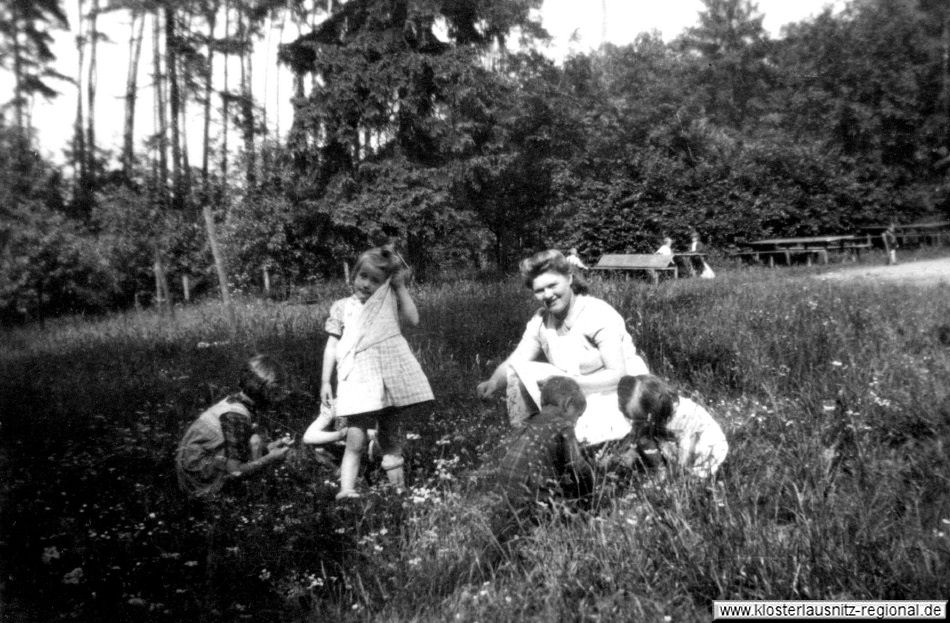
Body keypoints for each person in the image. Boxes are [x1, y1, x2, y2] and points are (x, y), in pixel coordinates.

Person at [476, 249, 649, 446]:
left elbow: (618, 376)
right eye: (539, 290)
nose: (547, 295)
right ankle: (528, 439)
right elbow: (518, 358)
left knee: (591, 438)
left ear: (569, 278)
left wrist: (564, 383)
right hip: (576, 389)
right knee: (519, 371)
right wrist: (493, 382)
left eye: (552, 285)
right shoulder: (541, 320)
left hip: (618, 391)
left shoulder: (598, 314)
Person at [321, 244, 434, 499]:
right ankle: (347, 489)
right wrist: (325, 381)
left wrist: (400, 286)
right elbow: (332, 346)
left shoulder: (389, 302)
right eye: (363, 276)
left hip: (387, 378)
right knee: (355, 437)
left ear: (384, 284)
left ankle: (399, 491)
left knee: (390, 437)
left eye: (375, 280)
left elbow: (414, 320)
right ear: (354, 275)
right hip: (357, 379)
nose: (366, 284)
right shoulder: (342, 307)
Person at [489, 376, 595, 547]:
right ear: (567, 404)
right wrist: (590, 492)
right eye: (578, 415)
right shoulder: (562, 426)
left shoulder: (527, 423)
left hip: (507, 499)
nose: (576, 422)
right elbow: (578, 467)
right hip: (535, 500)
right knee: (580, 519)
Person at [176, 354, 293, 497]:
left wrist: (267, 449)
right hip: (199, 480)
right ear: (265, 393)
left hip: (195, 465)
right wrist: (270, 458)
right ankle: (250, 497)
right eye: (275, 394)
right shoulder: (236, 417)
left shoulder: (235, 401)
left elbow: (236, 444)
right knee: (255, 441)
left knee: (256, 440)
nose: (277, 400)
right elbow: (235, 472)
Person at [616, 374, 728, 478]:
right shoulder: (655, 414)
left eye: (640, 418)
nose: (634, 423)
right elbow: (638, 430)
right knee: (643, 436)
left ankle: (668, 474)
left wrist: (675, 473)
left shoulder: (684, 416)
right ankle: (659, 467)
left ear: (655, 412)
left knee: (684, 471)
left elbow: (686, 448)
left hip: (700, 445)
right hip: (671, 437)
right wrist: (631, 450)